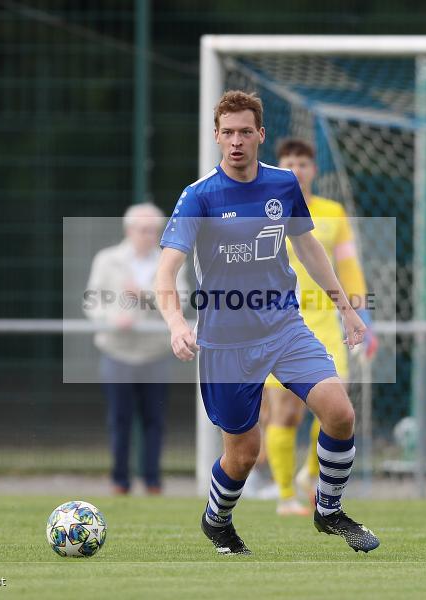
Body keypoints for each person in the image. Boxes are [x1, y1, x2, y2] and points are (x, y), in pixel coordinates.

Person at [154, 90, 379, 555]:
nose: (236, 141)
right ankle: (217, 520)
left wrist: (346, 307)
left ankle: (328, 510)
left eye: (244, 132)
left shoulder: (282, 185)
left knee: (340, 413)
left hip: (283, 327)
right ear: (216, 137)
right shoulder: (199, 197)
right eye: (227, 133)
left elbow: (308, 247)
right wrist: (176, 322)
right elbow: (166, 270)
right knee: (242, 454)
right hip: (225, 342)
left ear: (260, 134)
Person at [261, 138, 377, 516]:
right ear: (280, 169)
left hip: (326, 325)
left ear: (314, 170)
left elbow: (349, 267)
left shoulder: (333, 213)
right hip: (279, 324)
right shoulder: (265, 210)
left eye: (303, 164)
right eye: (289, 163)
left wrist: (363, 316)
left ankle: (310, 477)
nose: (296, 170)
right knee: (286, 413)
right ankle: (284, 496)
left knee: (335, 409)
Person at [85, 203, 183, 495]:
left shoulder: (171, 260)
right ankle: (120, 481)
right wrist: (113, 319)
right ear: (129, 231)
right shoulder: (107, 260)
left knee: (155, 419)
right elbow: (92, 303)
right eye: (143, 230)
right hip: (117, 352)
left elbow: (184, 298)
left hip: (155, 353)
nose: (149, 236)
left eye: (154, 230)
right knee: (119, 419)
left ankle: (152, 481)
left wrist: (145, 297)